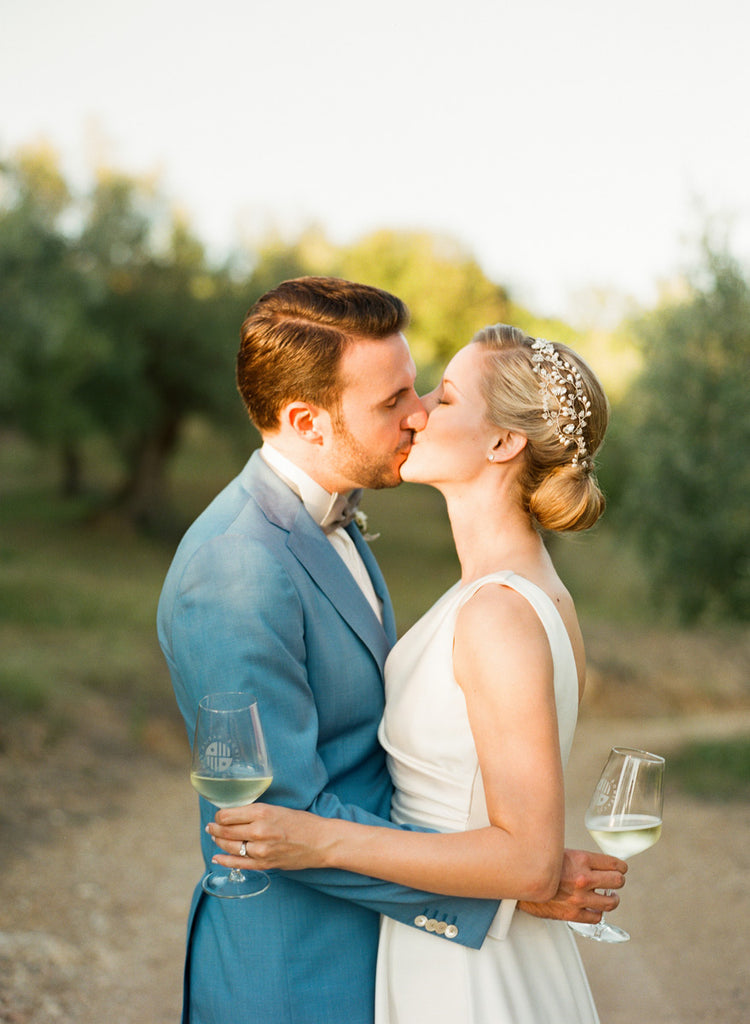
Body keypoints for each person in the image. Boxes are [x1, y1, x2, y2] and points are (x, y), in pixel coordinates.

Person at [158, 279, 625, 1024]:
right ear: (308, 421)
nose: (415, 414)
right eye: (396, 401)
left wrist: (516, 871)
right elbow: (274, 820)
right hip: (296, 972)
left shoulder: (401, 557)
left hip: (415, 958)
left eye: (428, 392)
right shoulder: (235, 566)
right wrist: (512, 886)